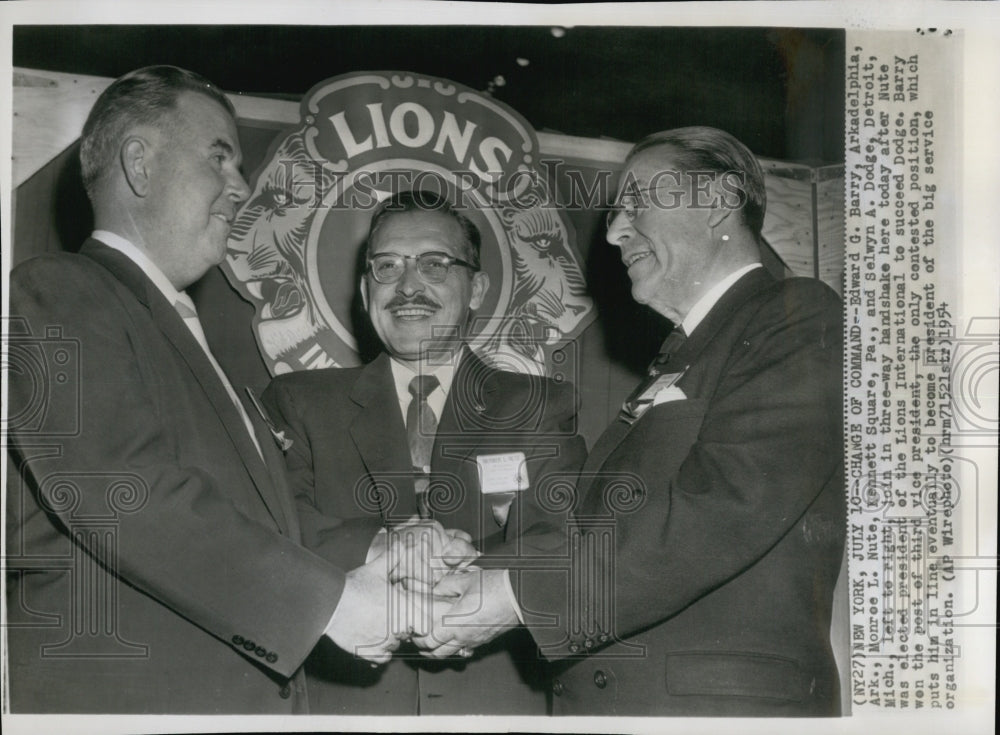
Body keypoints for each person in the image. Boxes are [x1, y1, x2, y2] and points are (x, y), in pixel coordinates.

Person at [5, 65, 406, 714]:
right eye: (219, 157)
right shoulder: (53, 291)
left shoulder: (179, 331)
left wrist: (381, 548)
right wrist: (325, 604)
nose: (241, 186)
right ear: (139, 163)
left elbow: (261, 517)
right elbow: (122, 491)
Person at [417, 127, 846, 716]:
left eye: (636, 203)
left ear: (718, 201)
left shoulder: (798, 318)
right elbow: (594, 527)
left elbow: (723, 509)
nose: (616, 231)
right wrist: (475, 568)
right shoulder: (681, 359)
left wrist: (514, 595)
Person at [260, 190, 588, 714]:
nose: (408, 286)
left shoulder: (538, 405)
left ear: (476, 287)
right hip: (339, 704)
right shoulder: (298, 402)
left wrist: (454, 561)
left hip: (493, 705)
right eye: (386, 267)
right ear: (366, 290)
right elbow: (276, 523)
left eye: (435, 264)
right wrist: (383, 546)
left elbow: (559, 535)